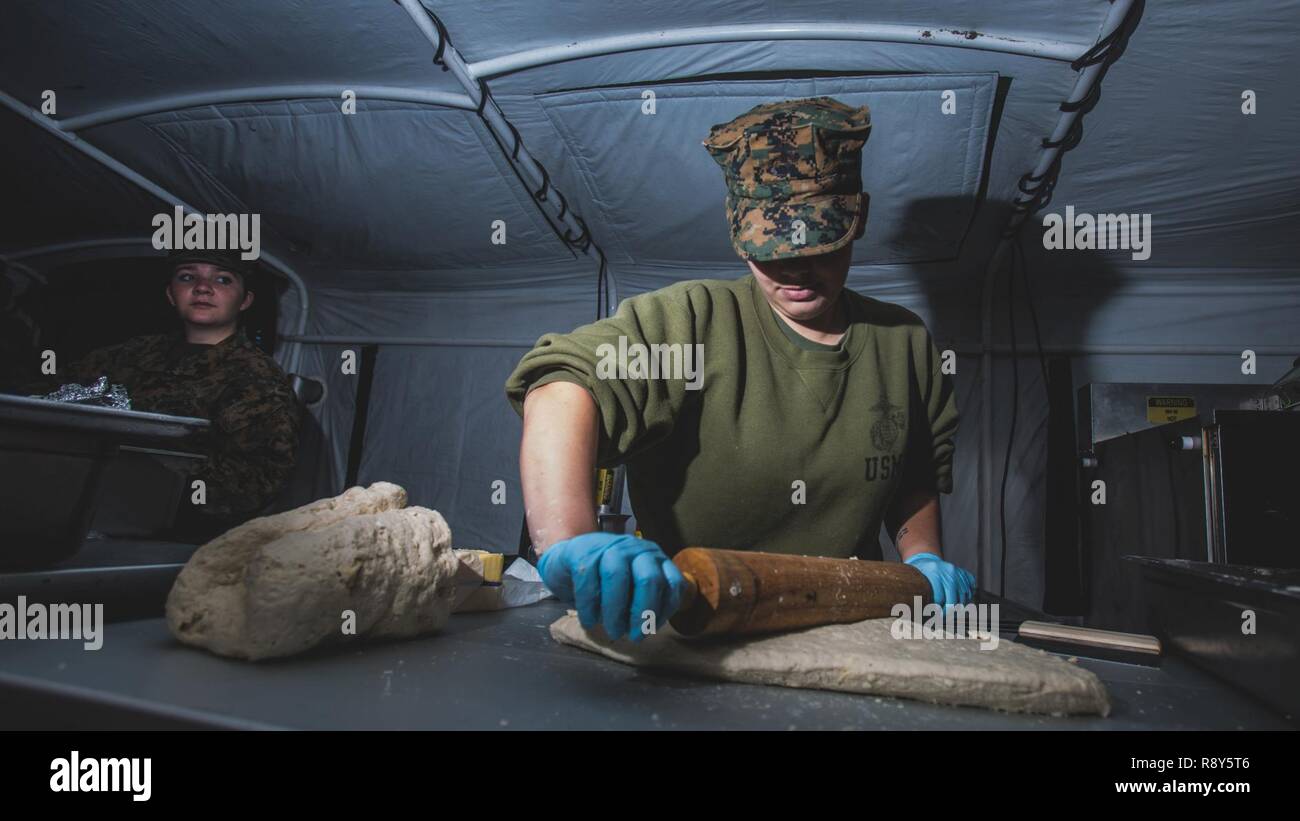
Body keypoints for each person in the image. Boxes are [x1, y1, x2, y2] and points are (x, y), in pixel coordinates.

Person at [506, 97, 975, 642]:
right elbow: (561, 387)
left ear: (857, 220)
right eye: (772, 250)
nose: (797, 268)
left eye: (821, 243)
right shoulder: (691, 319)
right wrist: (569, 541)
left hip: (849, 620)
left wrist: (923, 561)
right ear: (738, 232)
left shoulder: (905, 341)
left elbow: (912, 471)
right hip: (689, 618)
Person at [19, 248, 300, 538]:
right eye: (188, 276)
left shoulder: (257, 379)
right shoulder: (133, 353)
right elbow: (43, 396)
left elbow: (259, 480)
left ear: (245, 301)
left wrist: (155, 486)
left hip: (163, 531)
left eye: (223, 280)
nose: (203, 287)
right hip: (64, 497)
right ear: (170, 294)